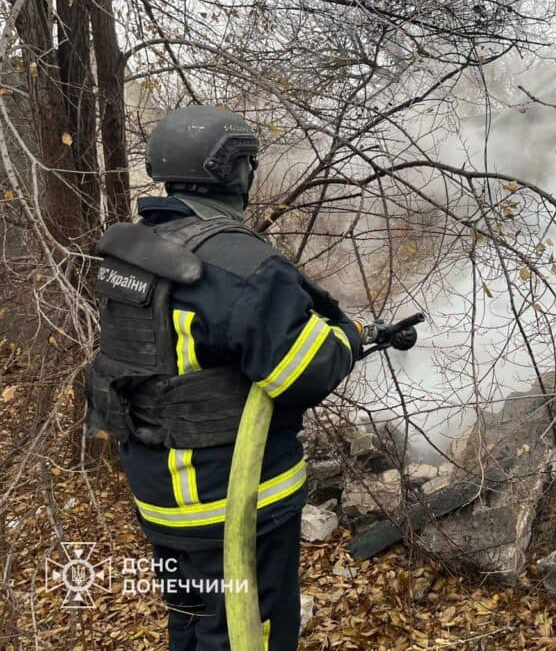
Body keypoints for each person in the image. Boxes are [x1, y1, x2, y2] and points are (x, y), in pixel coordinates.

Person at [86, 106, 368, 650]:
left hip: (161, 498)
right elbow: (307, 373)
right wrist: (349, 337)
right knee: (247, 633)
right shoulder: (244, 266)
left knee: (190, 623)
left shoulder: (134, 253)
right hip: (237, 507)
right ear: (235, 171)